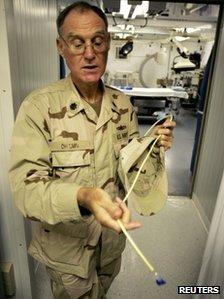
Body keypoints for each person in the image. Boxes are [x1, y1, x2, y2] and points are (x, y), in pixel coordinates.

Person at [9, 2, 175, 298]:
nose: (89, 53)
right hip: (68, 257)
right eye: (77, 43)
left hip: (111, 246)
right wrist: (84, 196)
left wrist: (153, 148)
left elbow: (133, 175)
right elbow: (26, 193)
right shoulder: (39, 108)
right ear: (60, 47)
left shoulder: (123, 106)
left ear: (108, 44)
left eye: (97, 41)